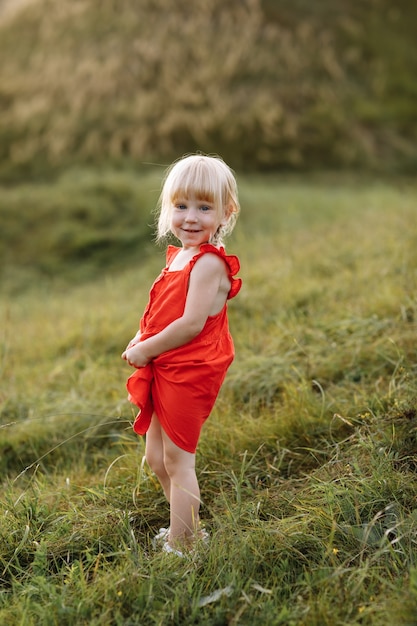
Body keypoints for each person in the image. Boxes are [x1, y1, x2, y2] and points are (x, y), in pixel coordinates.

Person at [121, 153, 241, 557]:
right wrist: (140, 338)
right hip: (165, 363)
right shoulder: (179, 256)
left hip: (189, 370)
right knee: (157, 456)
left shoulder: (208, 264)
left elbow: (190, 324)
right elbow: (160, 312)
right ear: (168, 207)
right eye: (181, 206)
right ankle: (184, 524)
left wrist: (146, 349)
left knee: (178, 458)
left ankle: (186, 544)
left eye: (204, 207)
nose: (191, 217)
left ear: (226, 212)